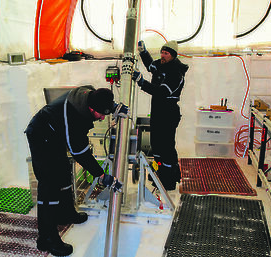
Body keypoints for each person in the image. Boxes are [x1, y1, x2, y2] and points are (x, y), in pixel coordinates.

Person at [25, 85, 123, 256]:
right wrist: (101, 176)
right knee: (49, 186)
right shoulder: (74, 117)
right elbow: (81, 153)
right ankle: (47, 239)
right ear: (91, 109)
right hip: (41, 135)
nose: (101, 119)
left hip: (55, 134)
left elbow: (101, 99)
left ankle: (66, 213)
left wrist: (114, 106)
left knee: (63, 172)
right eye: (101, 114)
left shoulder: (90, 94)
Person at [132, 40, 189, 191]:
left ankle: (169, 179)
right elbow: (151, 66)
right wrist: (143, 52)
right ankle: (159, 172)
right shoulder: (162, 64)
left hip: (168, 113)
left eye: (166, 53)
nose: (163, 56)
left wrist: (141, 82)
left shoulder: (176, 73)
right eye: (162, 52)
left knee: (166, 147)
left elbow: (161, 92)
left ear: (173, 55)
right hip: (157, 111)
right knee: (156, 145)